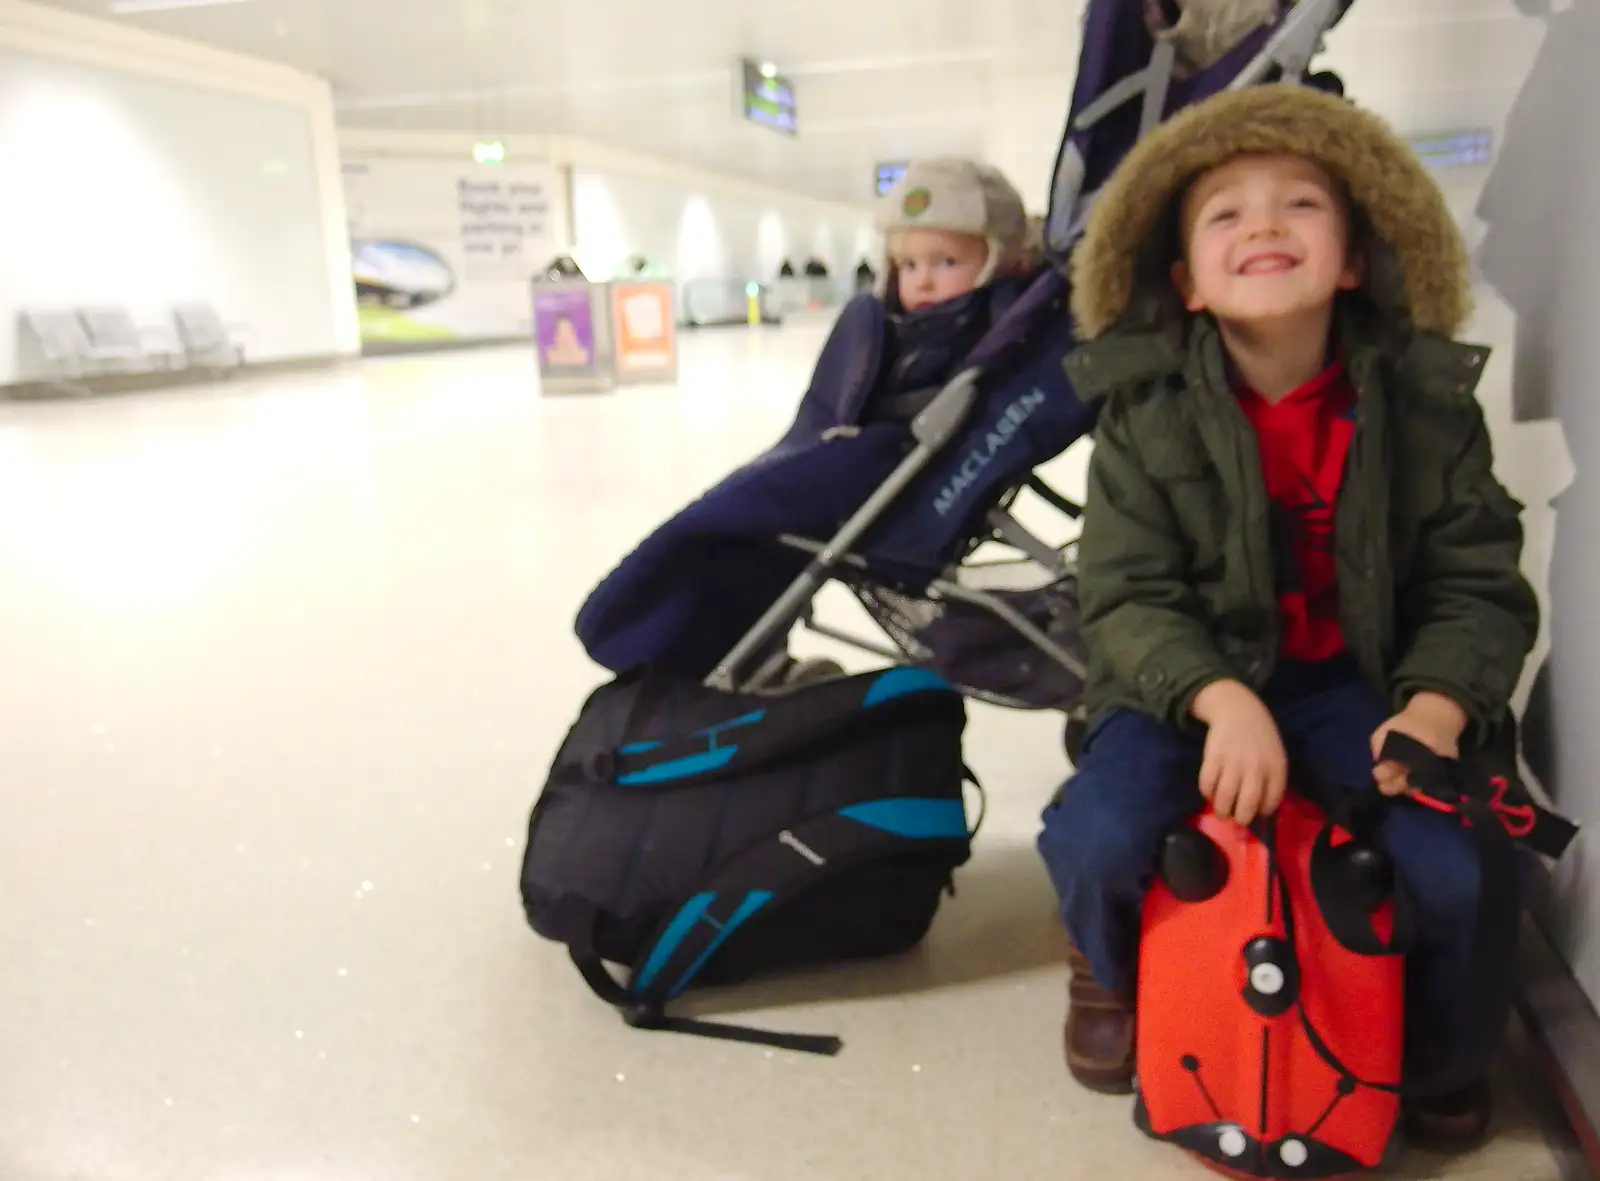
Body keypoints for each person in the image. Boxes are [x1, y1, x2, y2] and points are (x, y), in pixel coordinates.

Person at [1036, 82, 1539, 1152]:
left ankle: (1442, 1049)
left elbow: (1474, 578)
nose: (1262, 224)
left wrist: (1438, 707)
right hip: (1187, 683)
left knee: (1460, 862)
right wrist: (1216, 700)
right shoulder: (1144, 416)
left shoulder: (1425, 411)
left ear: (1354, 258)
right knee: (1101, 831)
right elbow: (1125, 592)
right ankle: (1114, 968)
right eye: (1224, 213)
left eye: (1300, 204)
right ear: (1186, 282)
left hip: (1363, 681)